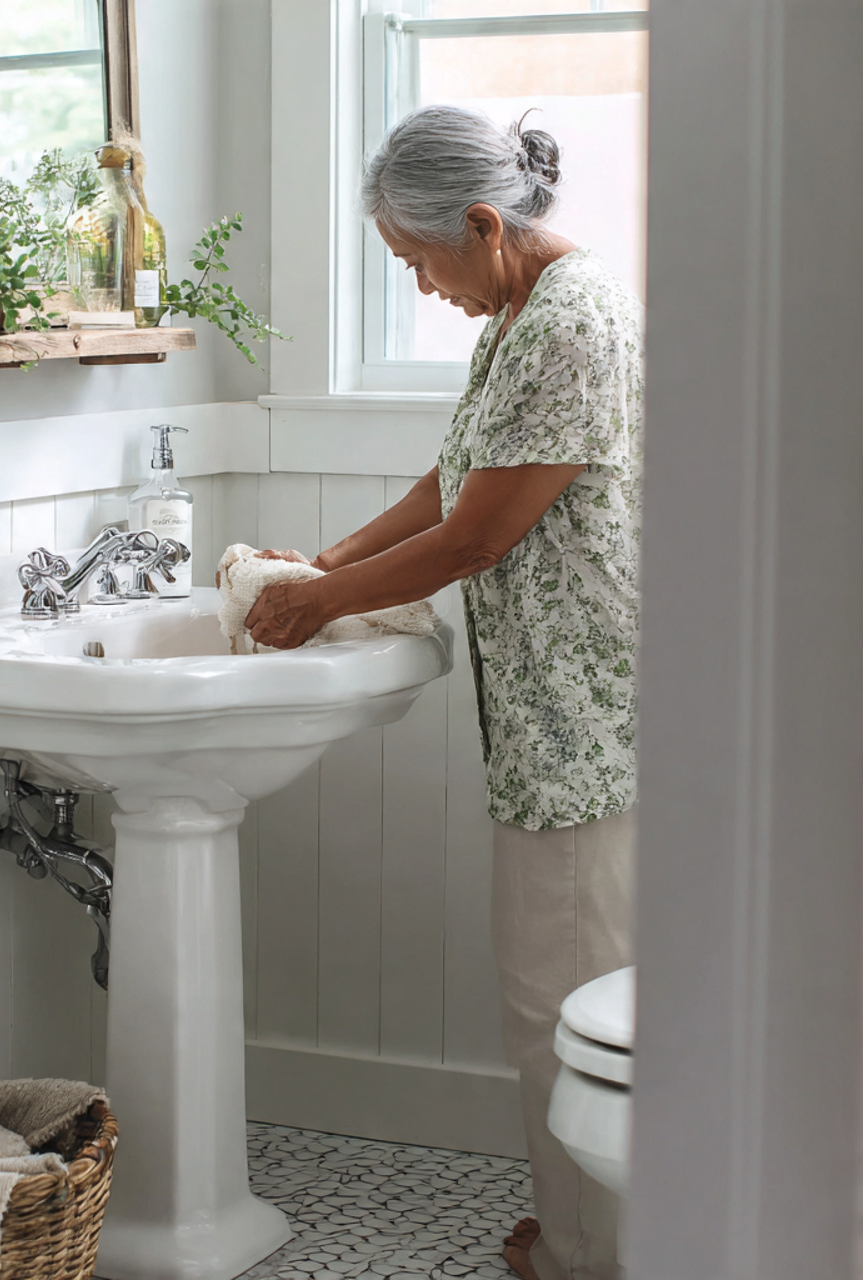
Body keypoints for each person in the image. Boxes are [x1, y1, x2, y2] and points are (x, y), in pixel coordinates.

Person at [245, 105, 642, 1280]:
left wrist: (321, 604)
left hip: (588, 726)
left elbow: (477, 536)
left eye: (418, 261)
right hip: (564, 714)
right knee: (564, 992)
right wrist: (329, 563)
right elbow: (455, 474)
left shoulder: (569, 323)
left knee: (560, 1000)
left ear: (481, 222)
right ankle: (592, 1230)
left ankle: (590, 1251)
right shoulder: (519, 312)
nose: (421, 288)